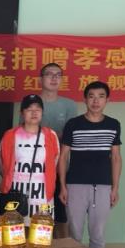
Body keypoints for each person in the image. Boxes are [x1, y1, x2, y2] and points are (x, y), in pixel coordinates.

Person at [59, 81, 122, 248]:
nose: (96, 101)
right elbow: (63, 157)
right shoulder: (73, 124)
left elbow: (116, 157)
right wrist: (63, 186)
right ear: (85, 99)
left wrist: (115, 188)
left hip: (103, 186)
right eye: (91, 96)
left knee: (97, 235)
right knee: (74, 234)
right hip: (75, 184)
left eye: (101, 96)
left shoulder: (113, 124)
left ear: (107, 100)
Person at [0, 94, 60, 224]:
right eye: (29, 109)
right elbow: (1, 161)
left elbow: (54, 161)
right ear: (22, 113)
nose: (34, 112)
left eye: (37, 109)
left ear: (42, 112)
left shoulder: (50, 135)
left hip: (42, 194)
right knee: (14, 230)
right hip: (15, 193)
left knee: (41, 230)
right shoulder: (10, 135)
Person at [38, 63, 78, 237]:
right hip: (36, 167)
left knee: (61, 214)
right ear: (40, 79)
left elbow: (70, 136)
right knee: (38, 212)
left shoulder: (69, 105)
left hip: (62, 166)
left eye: (58, 74)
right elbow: (24, 133)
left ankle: (62, 247)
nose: (54, 78)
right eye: (49, 74)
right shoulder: (32, 102)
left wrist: (47, 135)